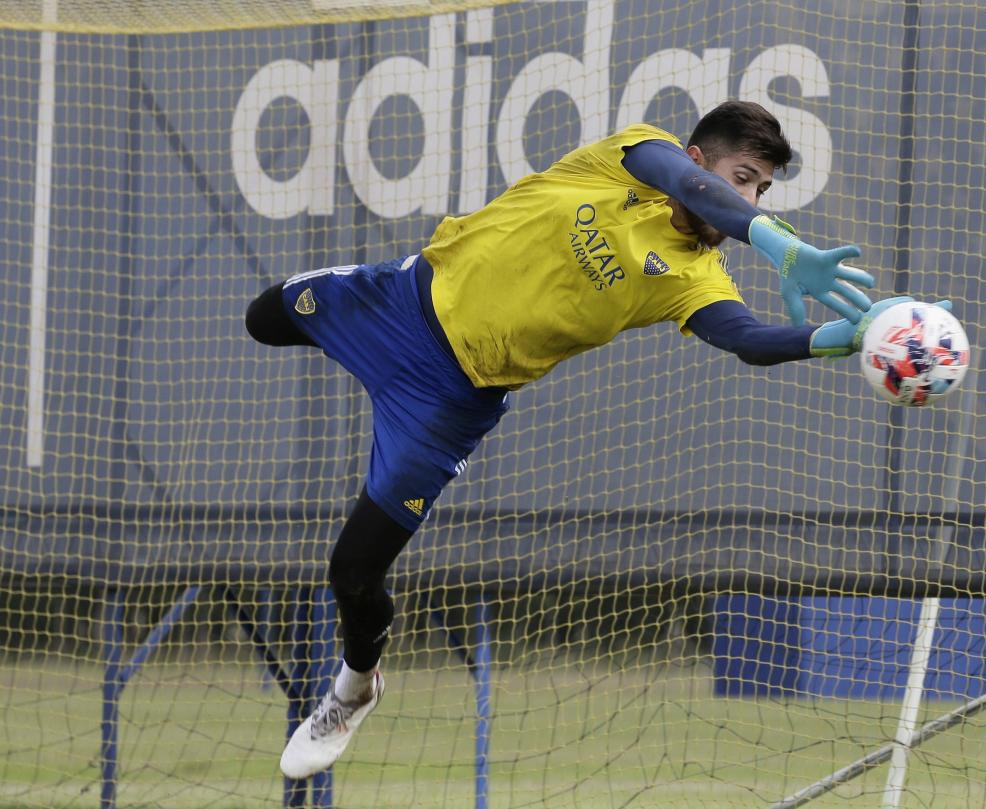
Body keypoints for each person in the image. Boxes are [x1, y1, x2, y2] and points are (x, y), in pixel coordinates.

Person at [246, 100, 905, 779]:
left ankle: (355, 685)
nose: (749, 197)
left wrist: (842, 338)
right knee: (262, 317)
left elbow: (748, 339)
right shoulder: (635, 155)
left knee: (352, 572)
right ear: (698, 160)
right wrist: (783, 244)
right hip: (403, 300)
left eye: (764, 190)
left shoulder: (694, 274)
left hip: (447, 400)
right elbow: (691, 186)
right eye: (744, 177)